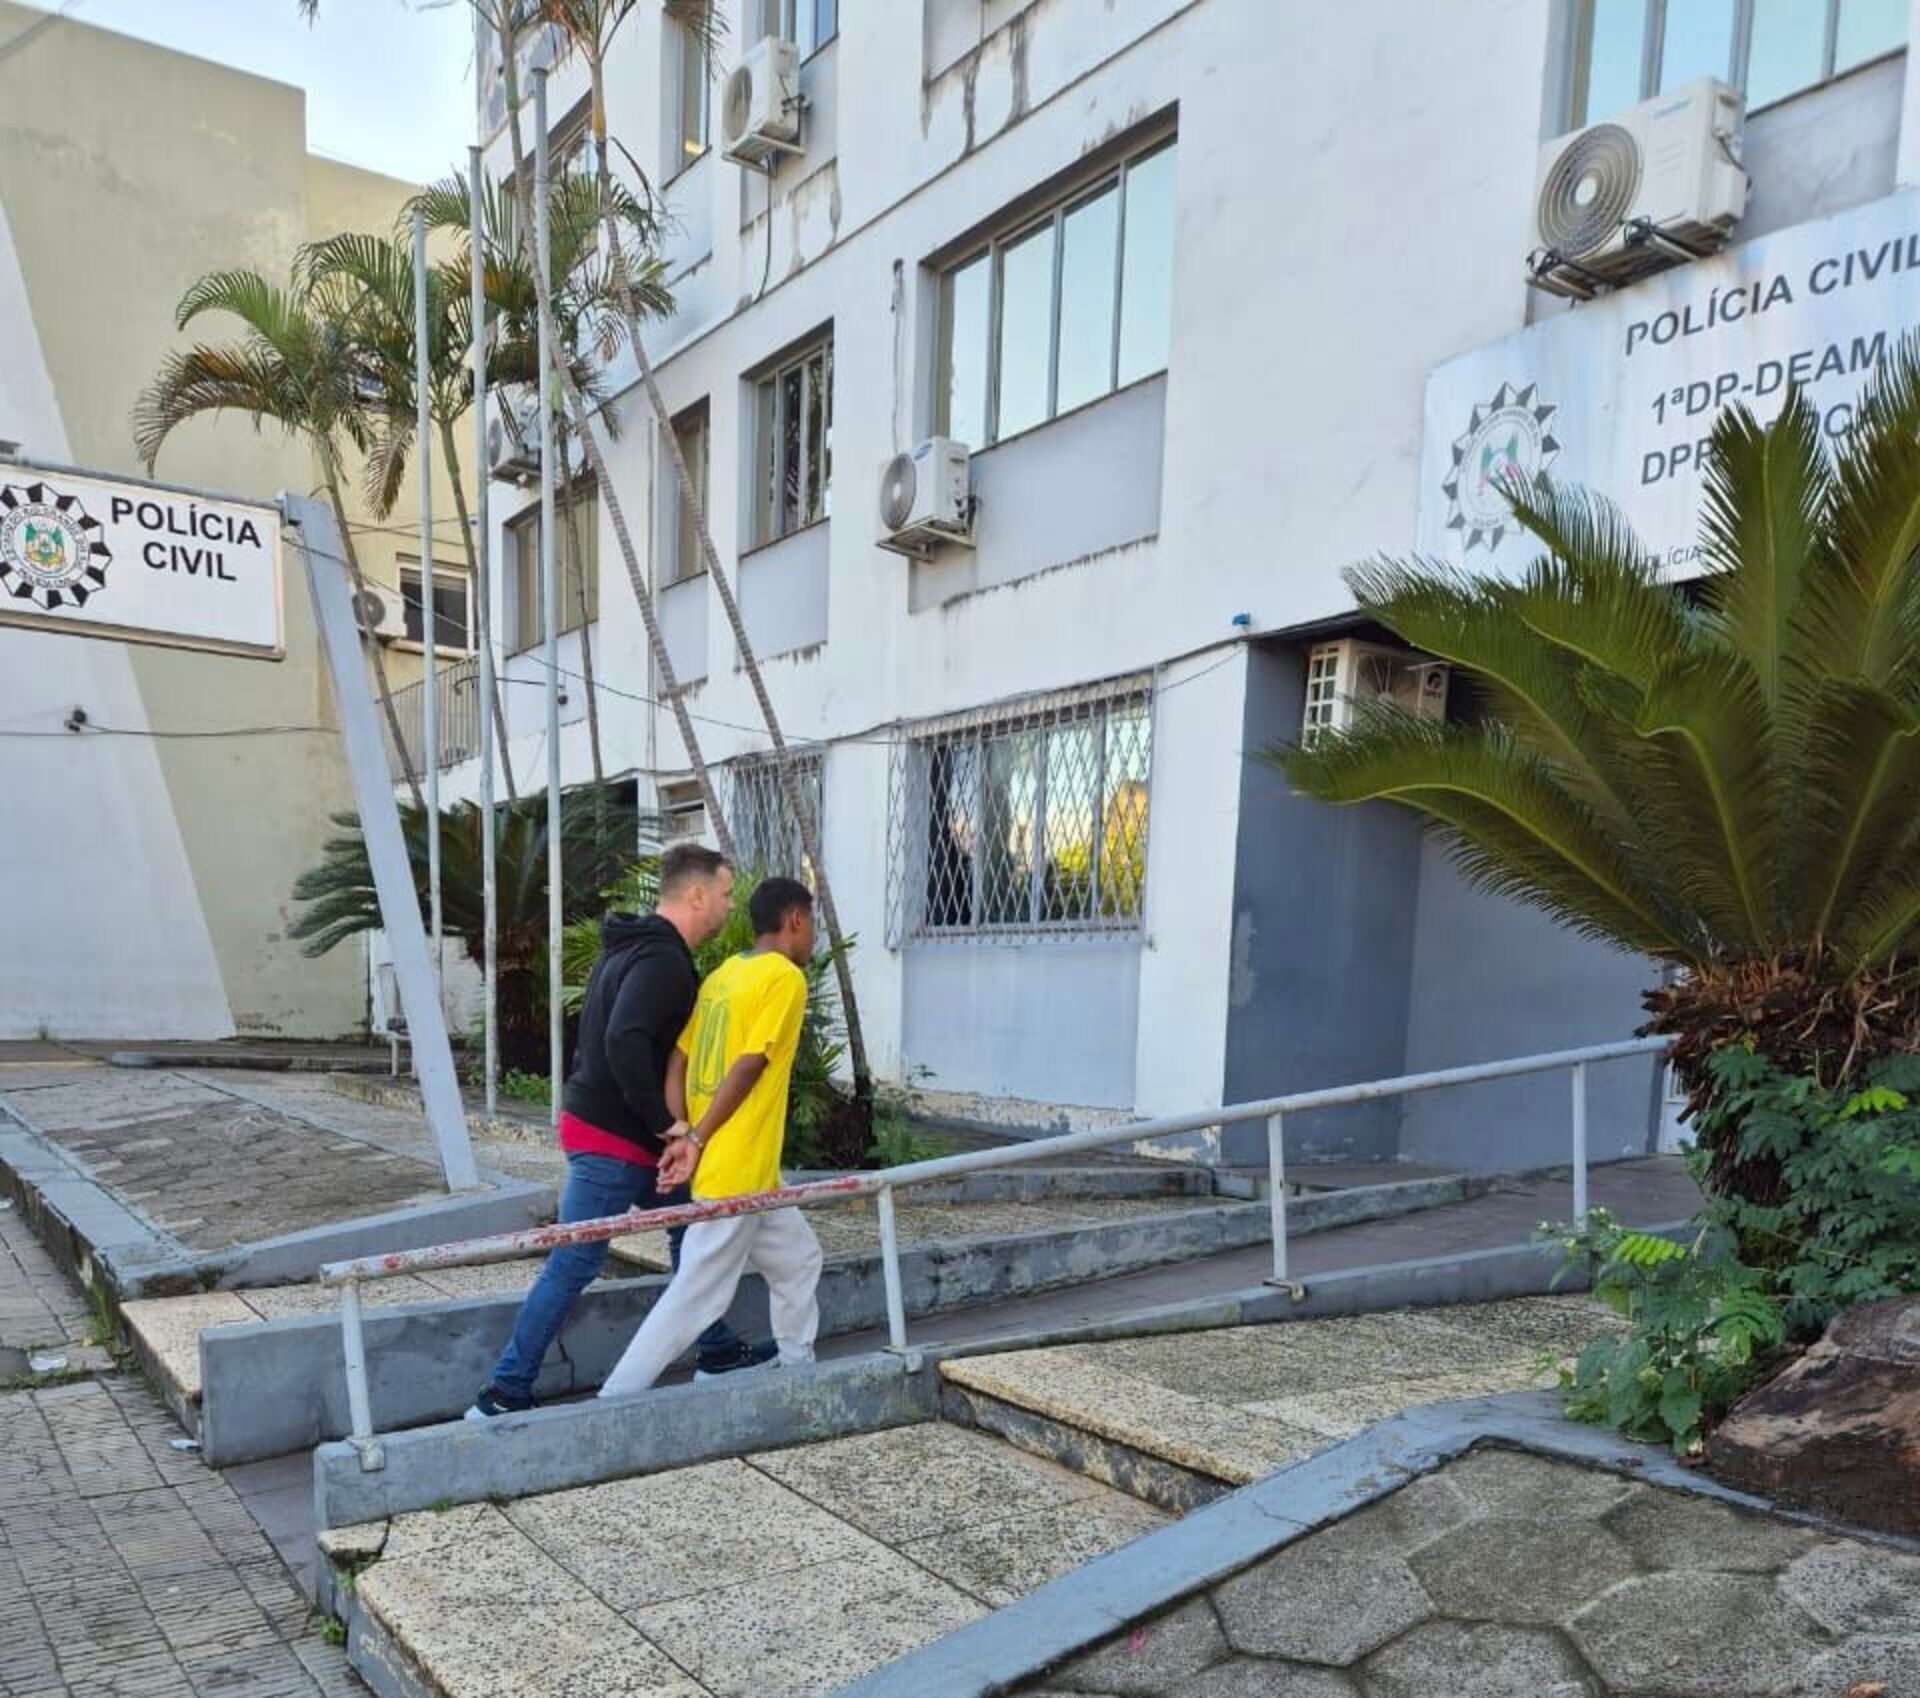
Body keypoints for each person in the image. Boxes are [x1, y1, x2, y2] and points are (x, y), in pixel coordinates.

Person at [466, 843, 770, 1420]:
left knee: (692, 1231)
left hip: (619, 1131)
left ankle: (717, 1348)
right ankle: (504, 1392)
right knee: (576, 1260)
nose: (730, 907)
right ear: (698, 894)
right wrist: (668, 1123)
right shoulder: (661, 961)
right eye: (727, 895)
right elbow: (624, 1039)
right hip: (614, 1138)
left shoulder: (641, 948)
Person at [597, 876, 824, 1400]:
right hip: (735, 1171)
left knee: (800, 1259)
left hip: (750, 1173)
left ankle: (798, 1368)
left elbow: (677, 1061)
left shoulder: (725, 975)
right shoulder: (784, 979)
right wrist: (694, 1138)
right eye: (811, 923)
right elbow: (750, 1065)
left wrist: (680, 1134)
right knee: (696, 1299)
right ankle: (616, 1397)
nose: (811, 935)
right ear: (795, 920)